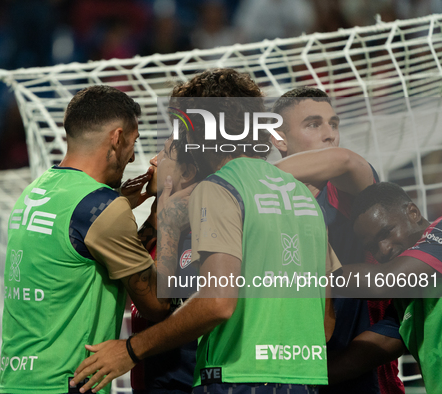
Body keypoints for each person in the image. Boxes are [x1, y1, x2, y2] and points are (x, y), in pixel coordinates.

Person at [72, 68, 336, 394]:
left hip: (236, 380)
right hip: (304, 381)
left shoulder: (219, 188)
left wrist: (131, 350)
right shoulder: (303, 197)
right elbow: (324, 324)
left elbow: (217, 303)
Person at [0, 85, 170, 394]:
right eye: (133, 143)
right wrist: (160, 212)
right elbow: (157, 305)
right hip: (68, 384)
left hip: (18, 383)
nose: (133, 156)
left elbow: (77, 237)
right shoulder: (102, 209)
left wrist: (118, 203)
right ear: (117, 139)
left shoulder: (36, 191)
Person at [270, 87, 405, 394]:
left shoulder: (349, 191)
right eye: (314, 124)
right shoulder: (262, 205)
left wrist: (246, 176)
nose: (330, 134)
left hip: (364, 378)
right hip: (289, 374)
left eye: (334, 123)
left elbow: (346, 161)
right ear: (278, 138)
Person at [346, 181, 442, 393]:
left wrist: (311, 275)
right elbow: (355, 359)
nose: (383, 250)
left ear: (413, 212)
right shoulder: (405, 302)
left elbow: (383, 281)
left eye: (386, 232)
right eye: (372, 247)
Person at [131, 135, 202, 394]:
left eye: (163, 155)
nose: (153, 161)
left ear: (187, 171)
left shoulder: (200, 236)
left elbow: (161, 307)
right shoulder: (156, 227)